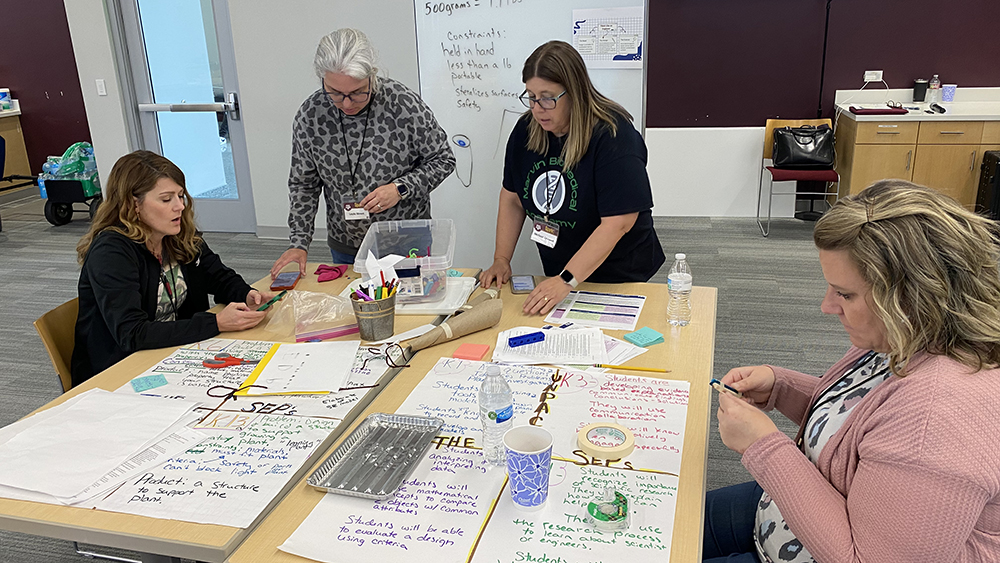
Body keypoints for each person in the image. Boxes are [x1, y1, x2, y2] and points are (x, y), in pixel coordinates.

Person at [707, 180, 1000, 563]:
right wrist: (782, 388)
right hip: (794, 514)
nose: (827, 306)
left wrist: (763, 446)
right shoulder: (906, 333)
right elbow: (865, 422)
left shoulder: (939, 417)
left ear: (911, 296)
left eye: (844, 294)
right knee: (664, 520)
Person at [480, 41, 664, 315]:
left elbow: (619, 223)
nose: (538, 108)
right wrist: (501, 259)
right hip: (561, 272)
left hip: (620, 273)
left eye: (547, 97)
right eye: (530, 96)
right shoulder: (526, 131)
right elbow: (512, 199)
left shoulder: (614, 135)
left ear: (574, 92)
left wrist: (568, 279)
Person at [72, 151, 271, 386]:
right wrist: (215, 323)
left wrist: (246, 294)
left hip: (177, 352)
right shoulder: (112, 252)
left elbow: (216, 275)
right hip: (122, 371)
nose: (179, 207)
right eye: (166, 199)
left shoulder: (176, 234)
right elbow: (132, 334)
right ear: (133, 204)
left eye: (180, 196)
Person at [270, 28, 455, 277]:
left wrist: (400, 188)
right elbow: (304, 184)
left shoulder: (401, 104)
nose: (347, 103)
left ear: (372, 76)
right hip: (346, 245)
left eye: (358, 92)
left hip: (407, 241)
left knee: (410, 309)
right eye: (335, 93)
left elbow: (443, 159)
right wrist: (299, 243)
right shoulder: (311, 114)